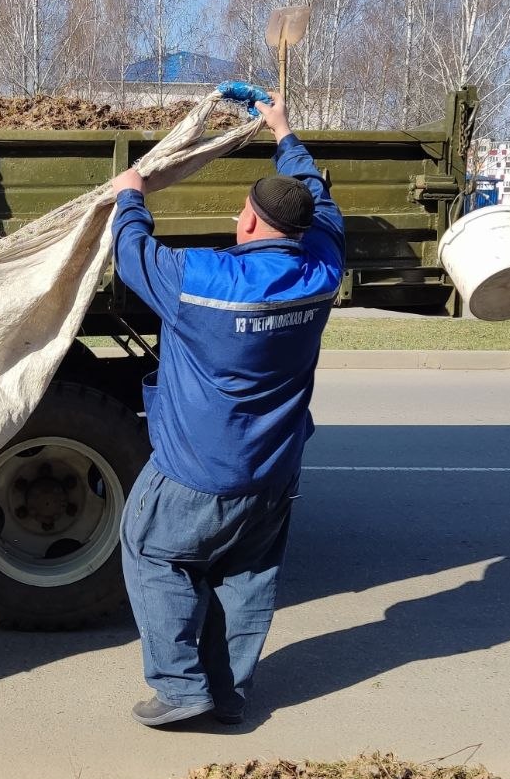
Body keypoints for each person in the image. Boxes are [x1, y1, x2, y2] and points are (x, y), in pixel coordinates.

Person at [109, 92, 344, 728]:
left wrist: (130, 195)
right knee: (247, 576)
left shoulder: (201, 280)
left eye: (243, 211)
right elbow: (322, 206)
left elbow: (132, 256)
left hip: (196, 469)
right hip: (274, 469)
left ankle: (182, 689)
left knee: (152, 550)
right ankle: (229, 692)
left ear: (247, 224)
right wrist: (285, 133)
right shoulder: (323, 269)